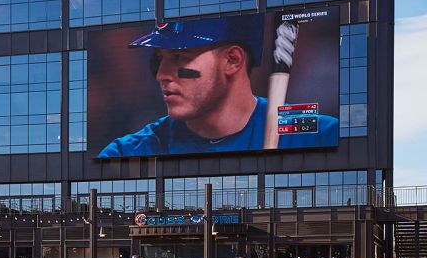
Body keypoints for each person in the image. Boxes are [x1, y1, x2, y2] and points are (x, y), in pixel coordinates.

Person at [97, 16, 339, 158]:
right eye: (160, 58)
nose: (161, 75)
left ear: (232, 60)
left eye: (180, 57)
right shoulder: (130, 152)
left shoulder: (318, 135)